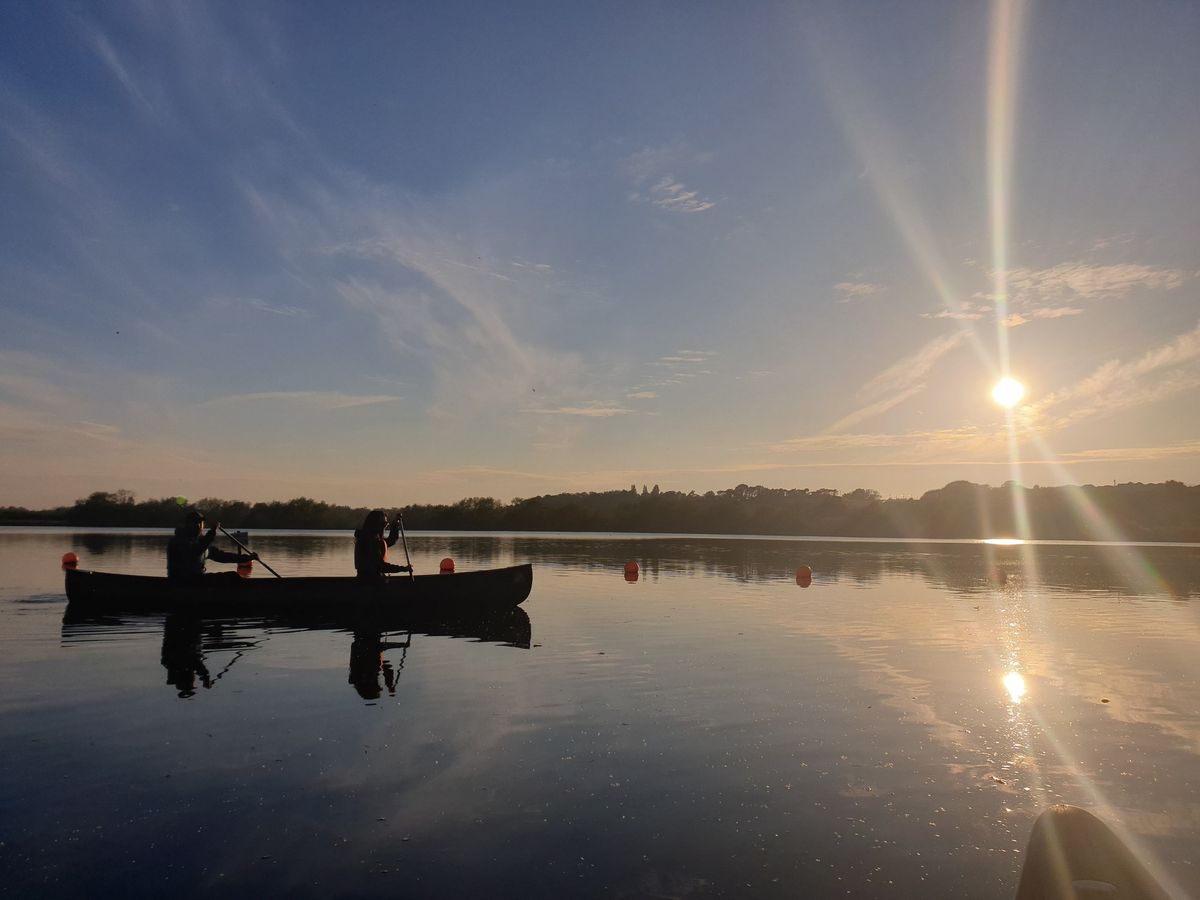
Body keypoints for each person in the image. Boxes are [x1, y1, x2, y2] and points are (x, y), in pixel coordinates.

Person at [166, 509, 256, 582]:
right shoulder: (179, 541)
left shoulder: (200, 542)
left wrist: (247, 558)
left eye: (200, 523)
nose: (198, 526)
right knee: (232, 577)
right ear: (188, 524)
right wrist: (212, 532)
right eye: (194, 523)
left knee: (233, 576)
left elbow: (222, 556)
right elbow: (195, 551)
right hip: (181, 582)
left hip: (197, 580)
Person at [354, 510, 411, 580]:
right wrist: (403, 569)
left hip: (375, 579)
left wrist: (395, 524)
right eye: (383, 524)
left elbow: (390, 541)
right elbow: (381, 566)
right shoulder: (369, 541)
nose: (385, 527)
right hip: (369, 582)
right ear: (375, 524)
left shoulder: (374, 539)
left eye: (386, 524)